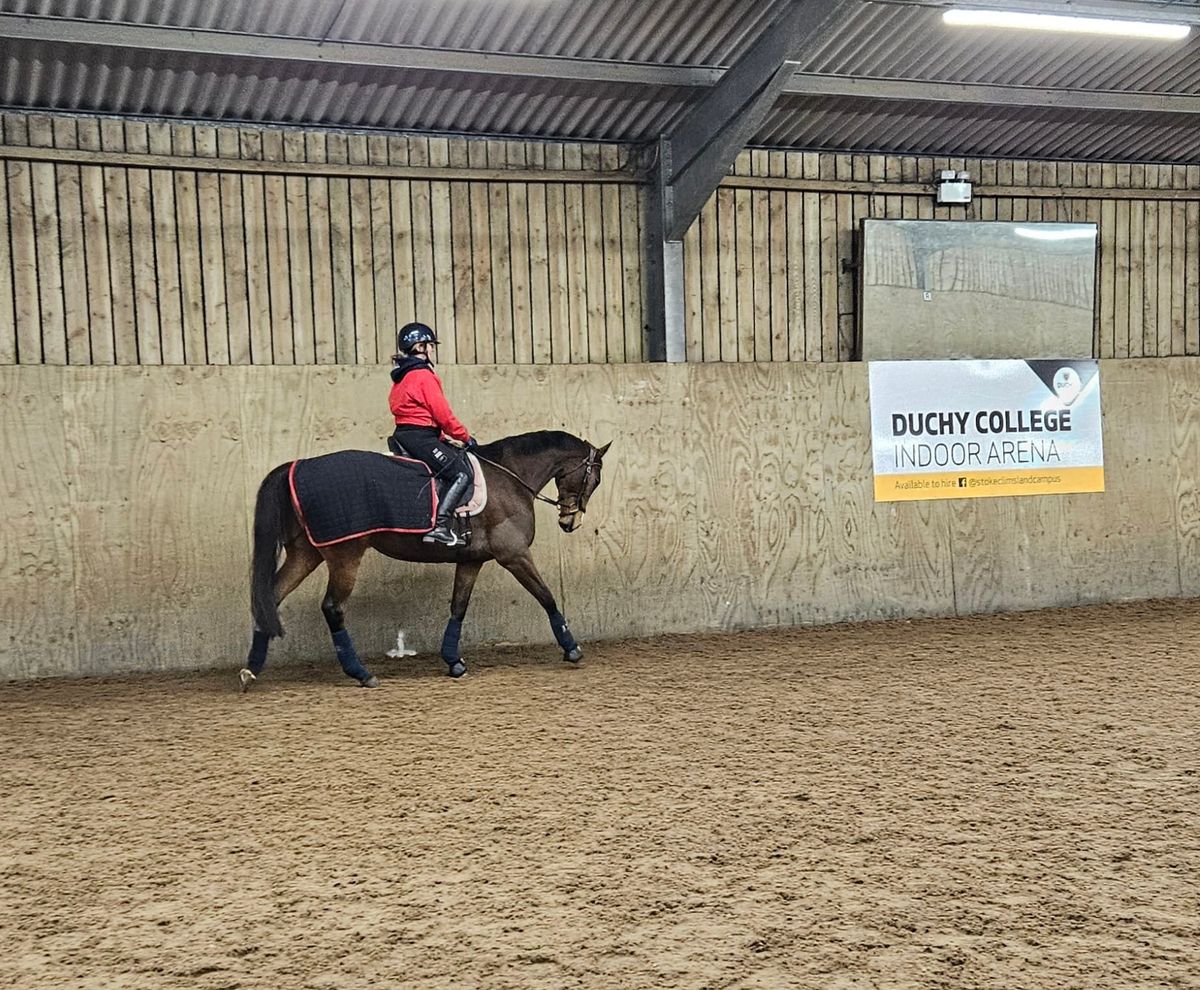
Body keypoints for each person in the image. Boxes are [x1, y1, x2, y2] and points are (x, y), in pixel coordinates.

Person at [388, 322, 477, 547]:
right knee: (461, 474)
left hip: (408, 434)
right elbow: (443, 414)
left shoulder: (402, 376)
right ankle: (440, 526)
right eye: (430, 345)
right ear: (420, 346)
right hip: (421, 437)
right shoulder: (422, 375)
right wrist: (465, 437)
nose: (432, 350)